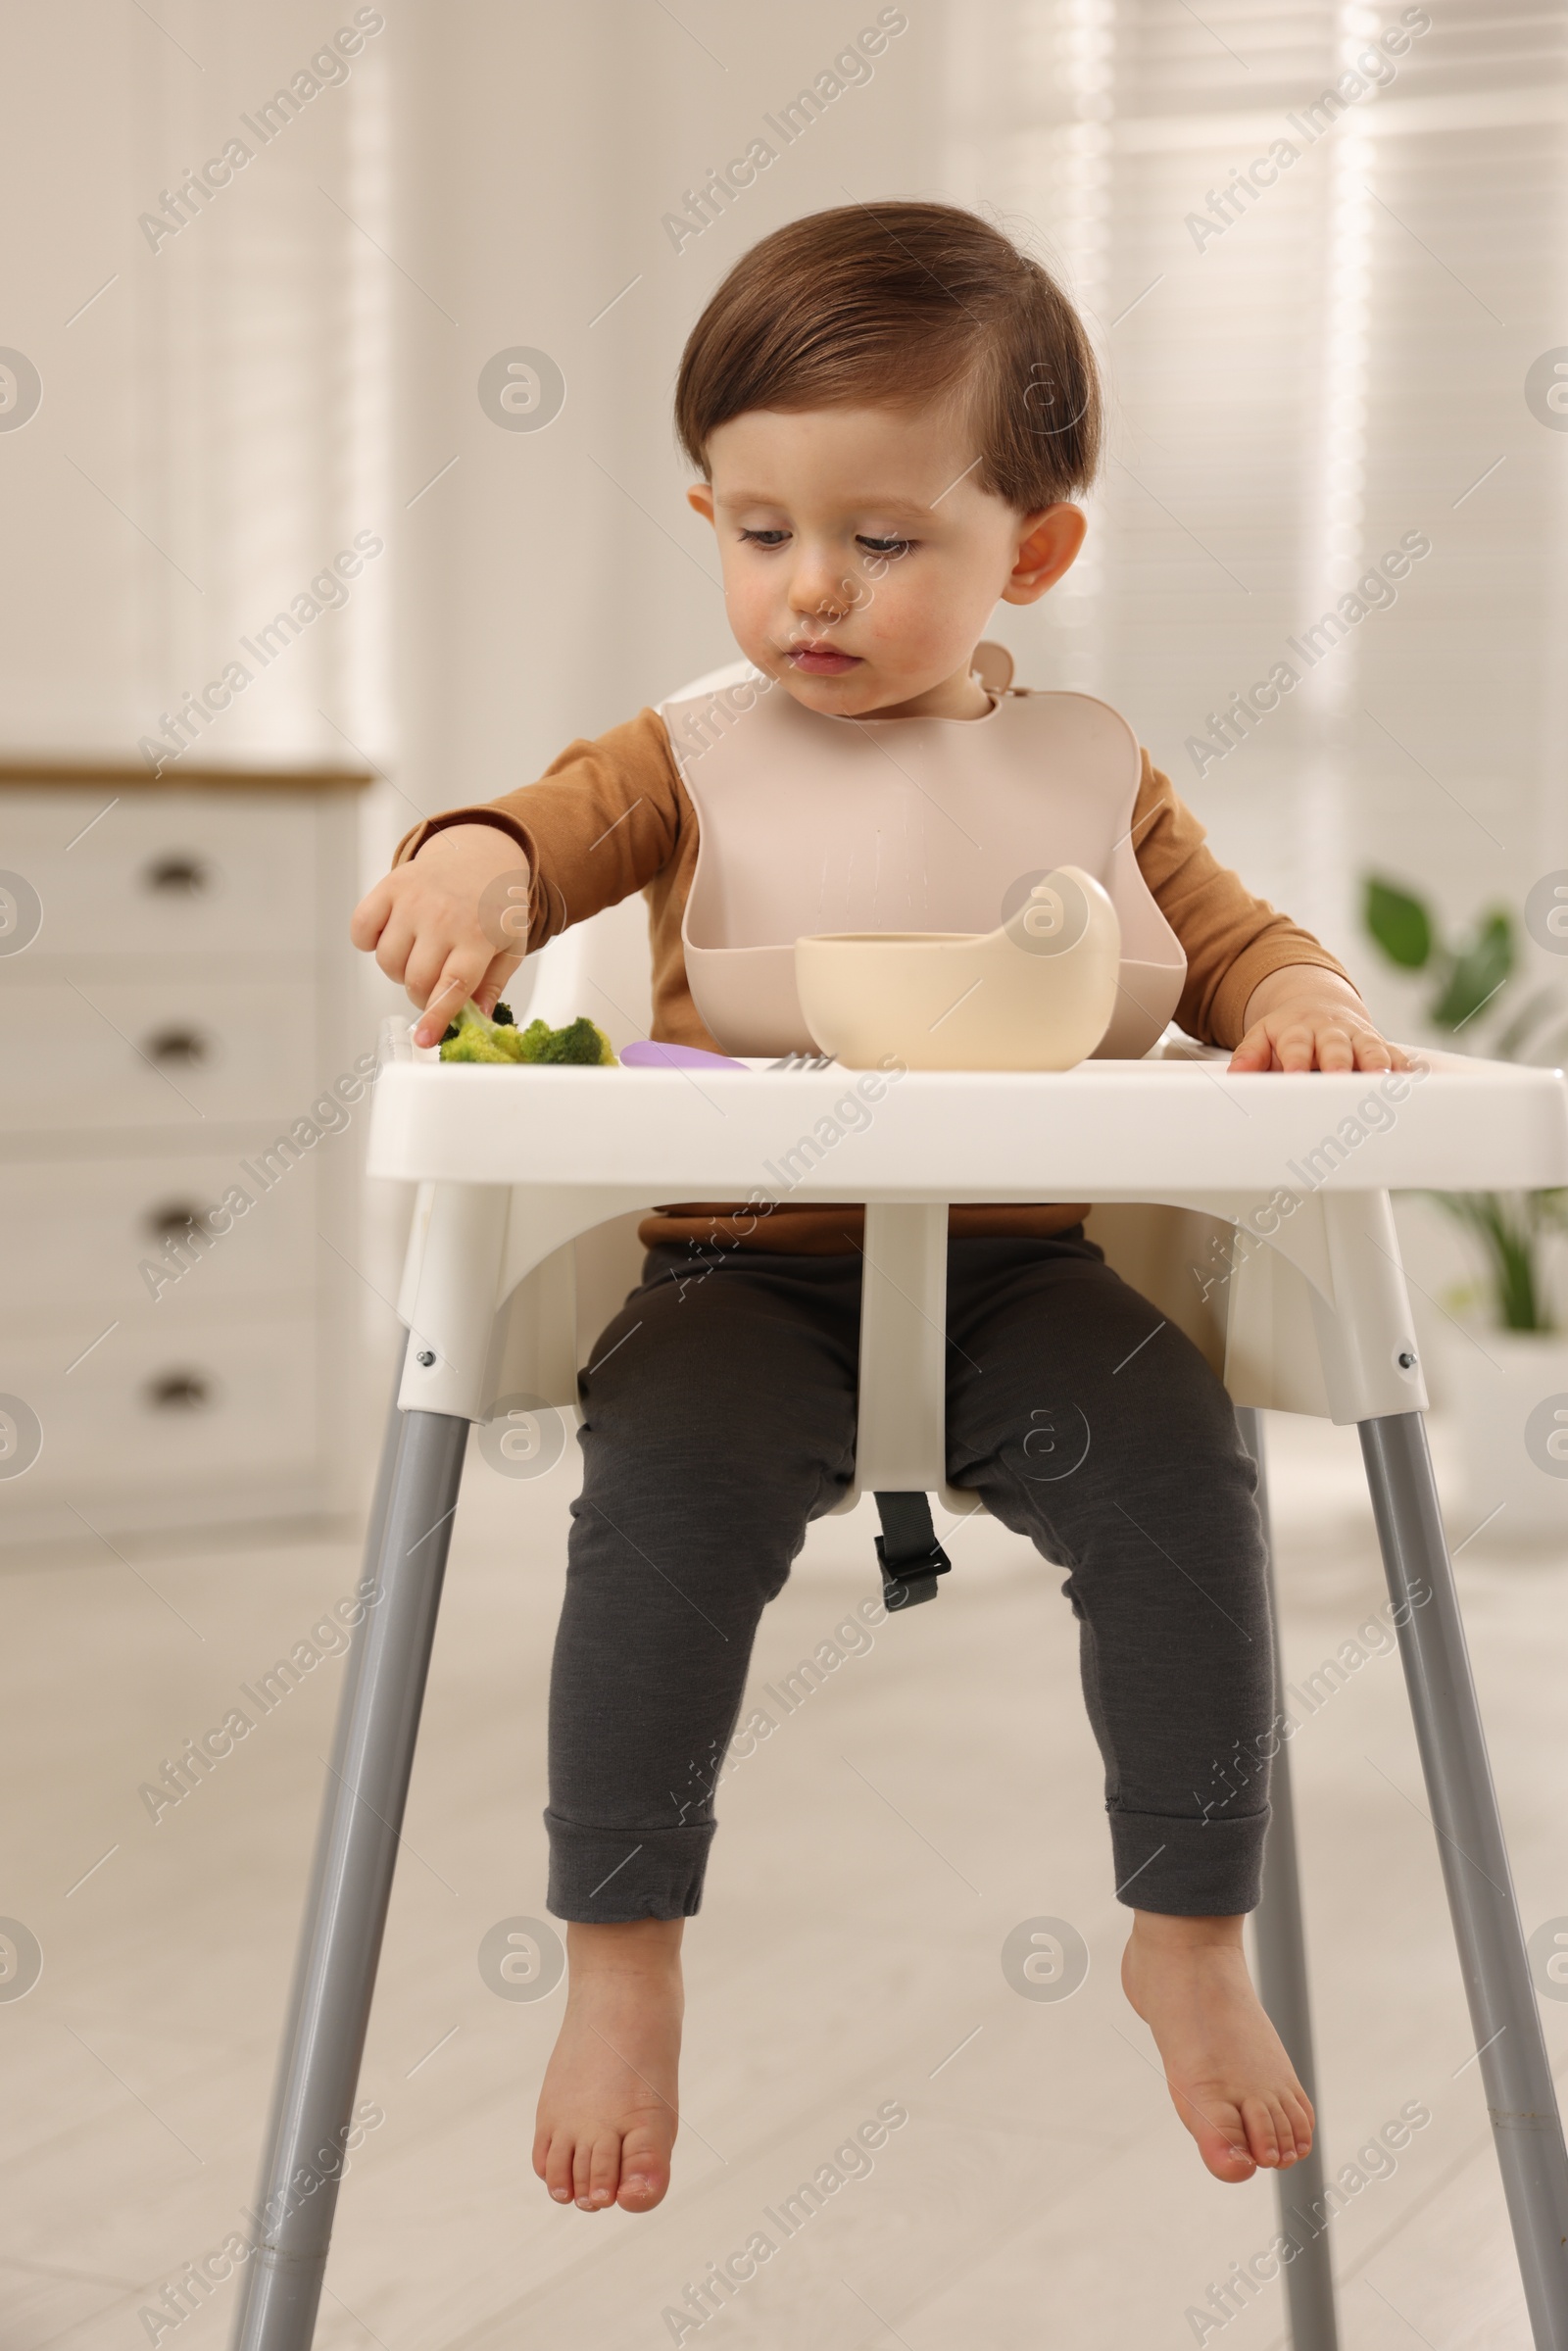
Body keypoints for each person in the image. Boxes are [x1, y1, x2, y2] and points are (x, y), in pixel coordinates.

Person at [352, 200, 1409, 2219]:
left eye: (881, 540)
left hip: (1027, 1270)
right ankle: (620, 1957)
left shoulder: (1086, 772)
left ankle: (1187, 1934)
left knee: (1184, 1467)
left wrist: (1297, 1005)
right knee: (661, 1500)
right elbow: (527, 831)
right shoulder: (684, 756)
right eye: (757, 533)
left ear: (1034, 547)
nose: (805, 593)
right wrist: (478, 870)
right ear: (708, 516)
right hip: (733, 1276)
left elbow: (1230, 943)